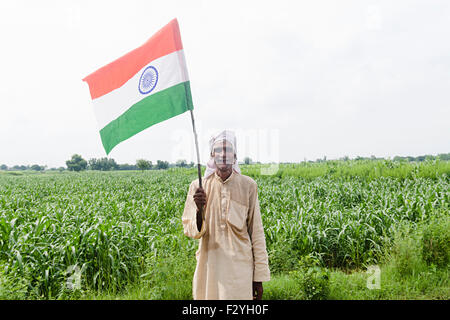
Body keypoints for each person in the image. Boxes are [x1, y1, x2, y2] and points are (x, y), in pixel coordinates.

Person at [182, 130, 270, 300]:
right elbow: (191, 230)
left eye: (228, 150)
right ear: (212, 155)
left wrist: (258, 278)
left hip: (240, 273)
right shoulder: (198, 187)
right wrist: (200, 210)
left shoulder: (248, 186)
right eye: (219, 150)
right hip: (209, 270)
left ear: (235, 155)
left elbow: (256, 232)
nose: (223, 154)